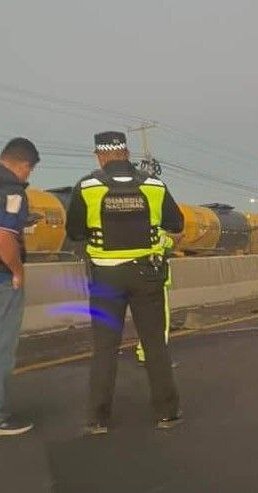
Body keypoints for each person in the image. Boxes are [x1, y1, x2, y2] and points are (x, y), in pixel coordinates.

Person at [65, 131, 184, 435]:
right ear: (127, 152)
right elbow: (176, 225)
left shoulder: (87, 186)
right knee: (155, 344)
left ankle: (98, 419)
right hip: (147, 275)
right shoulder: (155, 185)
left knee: (105, 347)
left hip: (105, 277)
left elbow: (75, 232)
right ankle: (167, 414)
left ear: (100, 155)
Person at [0, 138, 39, 438]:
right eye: (29, 171)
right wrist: (17, 271)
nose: (27, 178)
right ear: (24, 165)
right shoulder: (13, 192)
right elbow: (3, 238)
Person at [134, 231, 177, 367]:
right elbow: (169, 244)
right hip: (155, 280)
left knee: (146, 320)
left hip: (140, 279)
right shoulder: (158, 232)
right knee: (160, 322)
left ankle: (144, 354)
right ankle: (157, 358)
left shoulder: (137, 230)